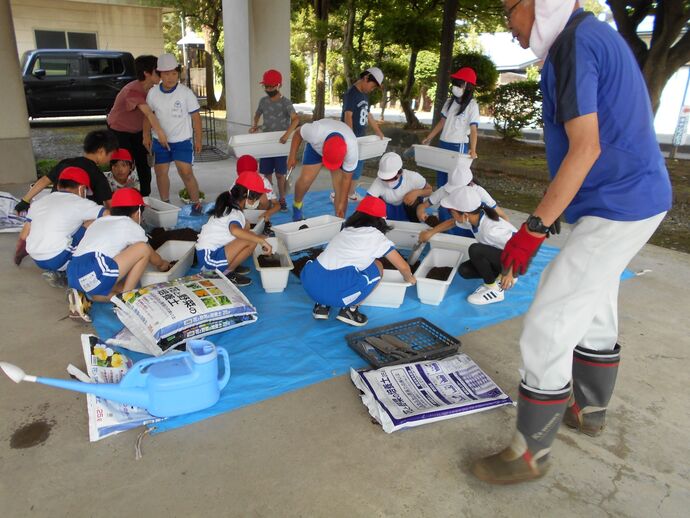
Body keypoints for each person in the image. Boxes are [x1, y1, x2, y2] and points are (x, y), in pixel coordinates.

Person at [471, 0, 672, 484]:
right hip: (631, 195)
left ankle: (530, 454)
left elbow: (586, 147)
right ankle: (589, 408)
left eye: (508, 11)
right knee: (596, 299)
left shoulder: (573, 45)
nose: (508, 25)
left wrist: (533, 228)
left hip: (619, 203)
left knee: (550, 319)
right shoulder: (590, 34)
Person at [300, 196, 416, 327]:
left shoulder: (345, 230)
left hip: (312, 286)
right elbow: (403, 266)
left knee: (327, 258)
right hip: (338, 293)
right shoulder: (376, 237)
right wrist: (409, 278)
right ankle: (350, 310)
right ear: (382, 220)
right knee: (378, 265)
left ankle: (322, 306)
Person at [13, 129, 117, 266]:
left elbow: (44, 180)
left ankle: (25, 243)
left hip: (54, 211)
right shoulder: (97, 174)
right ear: (101, 151)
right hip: (75, 221)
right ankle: (73, 261)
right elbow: (110, 205)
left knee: (36, 218)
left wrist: (25, 200)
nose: (110, 159)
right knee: (95, 221)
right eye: (111, 155)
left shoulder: (66, 163)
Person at [66, 188, 170, 322]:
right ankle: (126, 301)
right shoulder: (129, 225)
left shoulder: (99, 221)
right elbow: (151, 255)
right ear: (138, 212)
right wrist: (164, 266)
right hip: (95, 268)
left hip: (75, 273)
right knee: (143, 248)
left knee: (113, 289)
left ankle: (84, 298)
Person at [422, 187, 516, 305]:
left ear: (464, 215)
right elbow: (452, 223)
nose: (451, 214)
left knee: (475, 249)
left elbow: (522, 246)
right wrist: (430, 233)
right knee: (464, 270)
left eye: (452, 212)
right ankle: (496, 279)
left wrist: (510, 273)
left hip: (514, 263)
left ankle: (495, 290)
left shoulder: (491, 229)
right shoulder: (474, 218)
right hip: (500, 259)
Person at [20, 167, 105, 288]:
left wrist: (18, 256)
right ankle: (72, 275)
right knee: (92, 221)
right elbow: (109, 215)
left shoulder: (39, 202)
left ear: (58, 186)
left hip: (37, 258)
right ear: (81, 189)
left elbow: (24, 235)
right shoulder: (81, 203)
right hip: (57, 258)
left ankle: (57, 272)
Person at [144, 53, 203, 212]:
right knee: (160, 173)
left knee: (186, 172)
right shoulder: (153, 93)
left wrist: (198, 140)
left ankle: (196, 205)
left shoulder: (185, 93)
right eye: (166, 74)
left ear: (178, 73)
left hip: (182, 141)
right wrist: (146, 136)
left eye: (174, 74)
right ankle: (166, 204)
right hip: (159, 141)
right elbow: (148, 116)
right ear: (160, 74)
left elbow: (196, 118)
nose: (170, 77)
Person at [195, 172, 273, 287]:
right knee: (251, 240)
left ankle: (227, 268)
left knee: (249, 234)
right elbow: (235, 231)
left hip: (209, 254)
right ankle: (224, 274)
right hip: (210, 261)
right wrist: (261, 240)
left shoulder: (229, 207)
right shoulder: (235, 213)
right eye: (258, 197)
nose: (259, 201)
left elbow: (238, 231)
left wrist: (249, 230)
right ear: (248, 196)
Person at [107, 54, 168, 196]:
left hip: (138, 131)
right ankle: (118, 197)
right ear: (146, 73)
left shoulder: (154, 90)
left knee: (143, 164)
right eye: (158, 71)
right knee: (122, 164)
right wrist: (160, 133)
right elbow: (148, 113)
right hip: (119, 131)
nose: (162, 74)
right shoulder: (132, 90)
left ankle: (144, 197)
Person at [287, 119, 359, 220]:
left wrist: (341, 206)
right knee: (305, 180)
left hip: (338, 152)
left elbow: (346, 181)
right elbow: (298, 133)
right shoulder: (315, 132)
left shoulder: (352, 150)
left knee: (340, 188)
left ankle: (340, 220)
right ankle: (297, 206)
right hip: (315, 149)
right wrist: (292, 156)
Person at [416, 158, 508, 237]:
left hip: (472, 235)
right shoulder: (444, 190)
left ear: (469, 184)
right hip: (446, 233)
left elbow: (502, 216)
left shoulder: (479, 192)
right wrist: (421, 213)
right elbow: (423, 206)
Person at [249, 69, 300, 212]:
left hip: (280, 144)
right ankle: (270, 199)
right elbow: (258, 114)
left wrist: (286, 135)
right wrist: (255, 125)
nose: (268, 89)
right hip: (266, 143)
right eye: (266, 86)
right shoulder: (263, 101)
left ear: (279, 85)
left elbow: (296, 119)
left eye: (271, 86)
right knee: (266, 174)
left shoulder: (285, 102)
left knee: (280, 174)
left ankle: (282, 199)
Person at [422, 67, 480, 188]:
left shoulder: (472, 105)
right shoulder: (449, 102)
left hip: (458, 146)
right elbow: (442, 122)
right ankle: (442, 206)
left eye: (459, 84)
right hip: (443, 143)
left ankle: (452, 206)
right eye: (455, 83)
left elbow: (474, 130)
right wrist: (429, 137)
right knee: (441, 175)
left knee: (455, 179)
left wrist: (473, 149)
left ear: (468, 86)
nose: (455, 86)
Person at [337, 66, 385, 202]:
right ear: (365, 78)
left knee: (357, 168)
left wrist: (378, 130)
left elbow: (368, 114)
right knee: (347, 167)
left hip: (361, 137)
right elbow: (348, 116)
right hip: (351, 138)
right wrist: (350, 138)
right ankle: (338, 193)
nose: (372, 89)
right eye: (373, 86)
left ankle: (350, 193)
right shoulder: (352, 93)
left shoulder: (364, 94)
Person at [366, 152, 432, 222]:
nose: (388, 182)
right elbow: (367, 202)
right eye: (384, 179)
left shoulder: (413, 177)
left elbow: (429, 190)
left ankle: (414, 222)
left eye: (392, 178)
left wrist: (417, 192)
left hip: (409, 210)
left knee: (415, 199)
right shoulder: (378, 182)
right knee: (373, 202)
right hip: (389, 211)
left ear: (400, 172)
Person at [235, 154, 282, 236]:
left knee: (264, 196)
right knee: (235, 199)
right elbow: (231, 205)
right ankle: (243, 222)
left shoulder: (264, 182)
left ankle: (263, 223)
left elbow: (277, 205)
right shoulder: (237, 183)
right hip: (243, 212)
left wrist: (268, 213)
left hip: (260, 212)